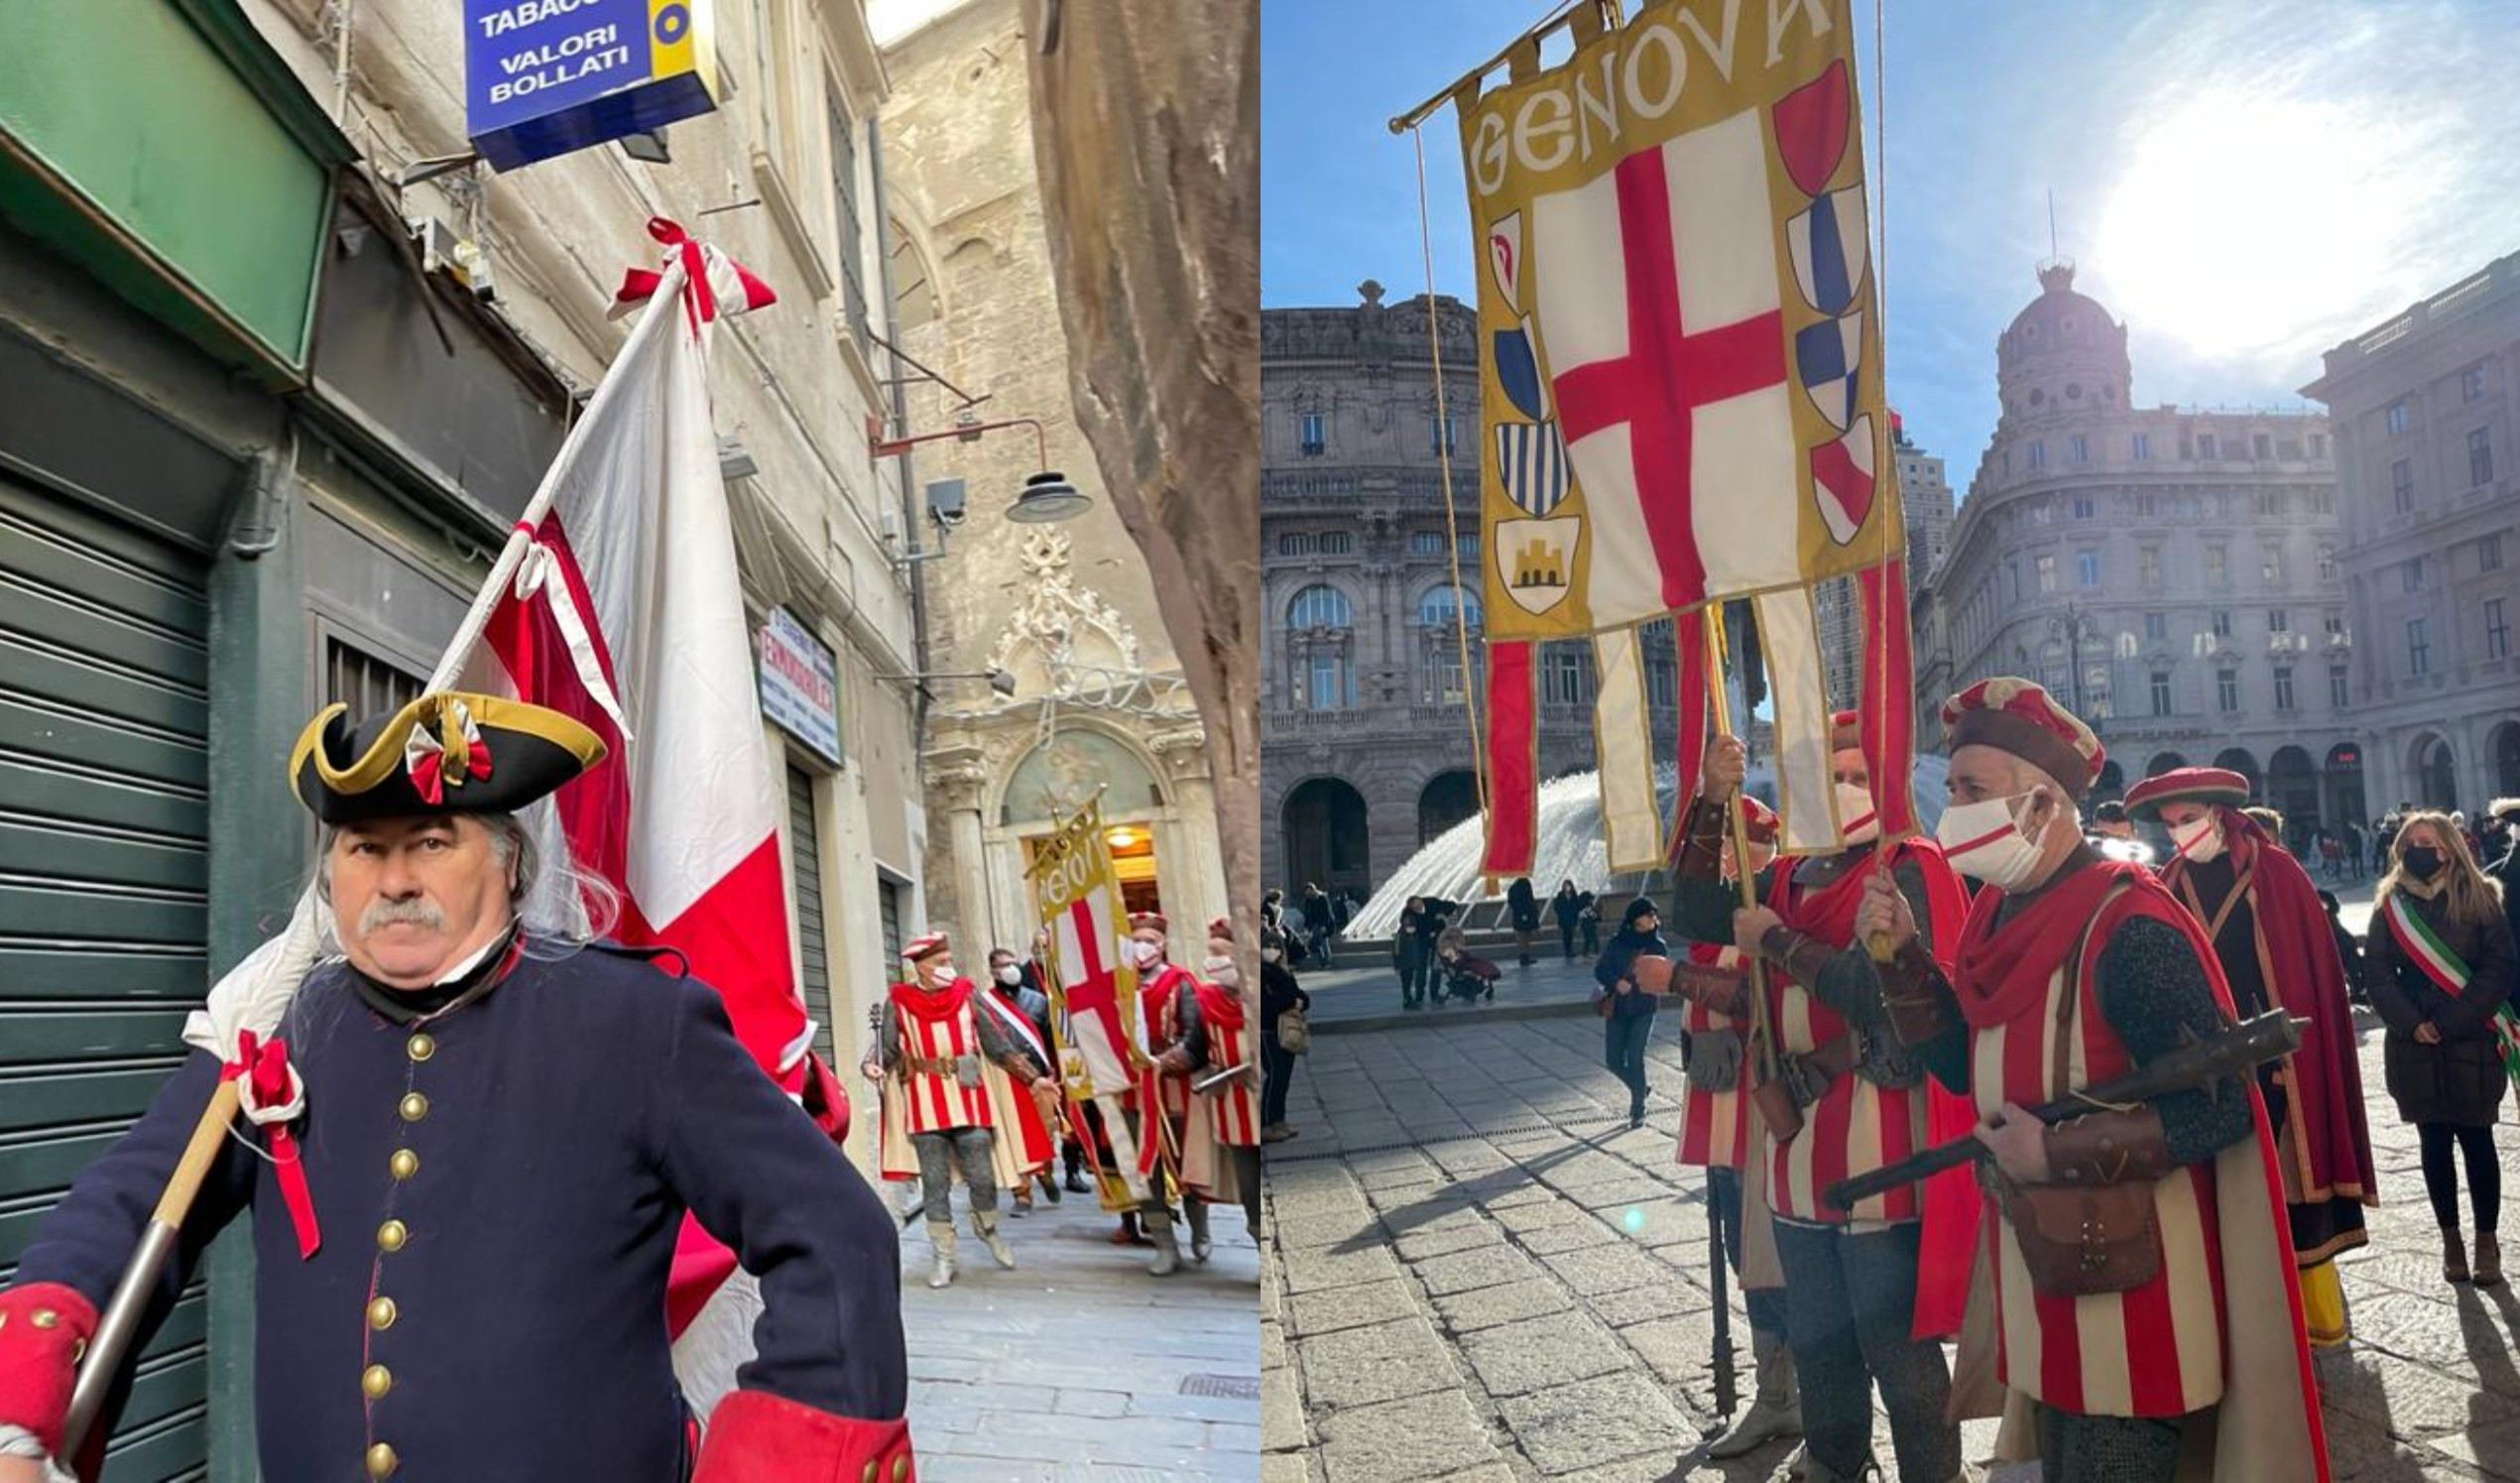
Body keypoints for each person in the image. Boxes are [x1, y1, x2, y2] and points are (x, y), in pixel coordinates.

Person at [0, 691, 912, 1482]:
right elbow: (129, 1202)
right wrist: (20, 1397)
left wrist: (782, 1456)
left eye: (430, 842)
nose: (394, 880)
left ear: (509, 860)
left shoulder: (639, 1019)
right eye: (364, 848)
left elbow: (835, 1237)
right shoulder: (280, 1023)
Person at [1868, 677, 2325, 1483]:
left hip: (2134, 1297)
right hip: (2043, 1274)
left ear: (2042, 804)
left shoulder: (2130, 927)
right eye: (1955, 783)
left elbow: (2217, 1111)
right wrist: (1903, 959)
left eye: (1973, 788)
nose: (1953, 806)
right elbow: (1966, 1066)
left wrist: (2053, 1153)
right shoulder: (1994, 917)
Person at [1671, 714, 1971, 1483]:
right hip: (1794, 1155)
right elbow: (1695, 916)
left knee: (1897, 1356)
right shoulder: (1784, 872)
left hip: (1882, 1160)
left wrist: (1775, 940)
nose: (1842, 790)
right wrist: (1711, 799)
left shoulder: (1908, 866)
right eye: (1830, 775)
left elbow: (1879, 996)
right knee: (1820, 1346)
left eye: (1858, 775)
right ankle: (1836, 1466)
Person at [2126, 769, 2377, 1346]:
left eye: (2187, 819)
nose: (2178, 833)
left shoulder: (2278, 873)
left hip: (2281, 1060)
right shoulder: (2168, 882)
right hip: (2208, 1064)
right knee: (2223, 1198)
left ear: (2219, 814)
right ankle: (2243, 1325)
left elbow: (2308, 966)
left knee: (2295, 1186)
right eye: (2168, 825)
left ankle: (2315, 1319)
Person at [1664, 795, 1802, 1464]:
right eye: (1722, 848)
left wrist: (1675, 977)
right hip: (1719, 1109)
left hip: (1762, 1113)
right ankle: (1774, 1386)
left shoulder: (1771, 912)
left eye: (1738, 847)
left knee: (1769, 1255)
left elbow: (1761, 1001)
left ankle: (1794, 1389)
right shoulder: (1715, 918)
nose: (1726, 859)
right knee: (1737, 1253)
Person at [2365, 811, 2519, 1287]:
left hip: (2470, 1038)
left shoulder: (2480, 898)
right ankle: (2451, 1241)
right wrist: (2413, 1024)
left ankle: (2486, 1243)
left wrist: (2451, 1020)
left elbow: (2500, 966)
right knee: (2432, 1145)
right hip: (2415, 1046)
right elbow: (2376, 975)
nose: (2418, 849)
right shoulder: (2390, 905)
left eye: (2428, 841)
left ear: (2449, 847)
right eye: (2411, 842)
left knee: (2478, 1143)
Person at [871, 933, 1061, 1288]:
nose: (948, 968)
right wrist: (873, 1064)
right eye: (941, 962)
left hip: (970, 1097)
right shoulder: (899, 1000)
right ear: (922, 967)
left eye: (948, 961)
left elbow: (997, 1043)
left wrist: (1033, 1079)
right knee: (934, 1182)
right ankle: (943, 1254)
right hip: (924, 1103)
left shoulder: (966, 993)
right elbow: (887, 1048)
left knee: (982, 1175)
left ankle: (985, 1223)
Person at [1131, 913, 1211, 1275]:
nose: (1143, 946)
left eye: (1150, 939)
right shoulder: (1118, 985)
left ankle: (1200, 1228)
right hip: (1133, 1091)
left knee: (1186, 1161)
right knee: (1146, 1167)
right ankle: (1164, 1244)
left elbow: (1196, 1032)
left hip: (1175, 1087)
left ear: (1163, 944)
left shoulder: (1182, 983)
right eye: (1137, 939)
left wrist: (1165, 1061)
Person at [1194, 918, 1263, 1268]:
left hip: (1260, 1098)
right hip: (1231, 1104)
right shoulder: (1204, 998)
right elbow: (1192, 1049)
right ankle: (1260, 1249)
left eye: (1219, 953)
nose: (1212, 961)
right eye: (1210, 953)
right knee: (1249, 1183)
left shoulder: (1259, 993)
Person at [986, 946, 1064, 1215]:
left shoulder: (1038, 1001)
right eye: (1003, 965)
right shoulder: (986, 1004)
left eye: (1013, 963)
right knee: (1015, 1135)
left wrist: (1056, 1072)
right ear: (993, 972)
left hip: (1040, 1077)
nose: (1011, 969)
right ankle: (1023, 1193)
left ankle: (1045, 1173)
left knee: (1044, 1131)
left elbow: (1052, 1040)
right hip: (1008, 1078)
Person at [1593, 898, 1669, 1130]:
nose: (1653, 919)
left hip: (1644, 1008)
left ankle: (1638, 1110)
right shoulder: (1618, 943)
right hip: (1618, 1009)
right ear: (1636, 919)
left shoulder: (1658, 946)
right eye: (1648, 915)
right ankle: (1641, 1088)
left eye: (1654, 915)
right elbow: (1600, 969)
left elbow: (1662, 977)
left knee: (1635, 1059)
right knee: (1613, 1061)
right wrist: (1617, 983)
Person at [1260, 927, 1310, 1143]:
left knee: (1284, 1078)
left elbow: (1302, 996)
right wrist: (1292, 1001)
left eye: (1275, 947)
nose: (1271, 950)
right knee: (1275, 1075)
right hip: (1268, 1031)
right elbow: (1269, 1004)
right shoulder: (1261, 972)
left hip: (1286, 1031)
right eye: (1267, 947)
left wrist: (1299, 1001)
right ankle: (1266, 1124)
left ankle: (1279, 1120)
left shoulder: (1284, 972)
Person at [1434, 927, 1502, 1003]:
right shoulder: (1448, 950)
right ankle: (1484, 980)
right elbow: (1456, 962)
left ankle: (1487, 976)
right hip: (1462, 966)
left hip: (1466, 962)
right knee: (1481, 967)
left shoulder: (1455, 949)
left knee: (1484, 964)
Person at [1507, 876, 1541, 966]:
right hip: (1525, 915)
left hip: (1520, 916)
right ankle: (1524, 957)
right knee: (1525, 938)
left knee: (1523, 938)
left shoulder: (1513, 888)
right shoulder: (1524, 885)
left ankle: (1525, 957)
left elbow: (1512, 902)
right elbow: (1530, 900)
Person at [1300, 882, 1336, 967]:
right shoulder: (1308, 900)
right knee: (1316, 943)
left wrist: (1324, 925)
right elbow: (1307, 914)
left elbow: (1327, 913)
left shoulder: (1322, 898)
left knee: (1323, 942)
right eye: (1306, 892)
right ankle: (1322, 961)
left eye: (1309, 891)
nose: (1308, 893)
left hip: (1323, 923)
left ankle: (1327, 961)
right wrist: (1306, 926)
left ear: (1314, 890)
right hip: (1314, 924)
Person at [1552, 879, 1586, 960]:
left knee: (1570, 934)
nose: (1567, 887)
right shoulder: (1560, 895)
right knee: (1566, 934)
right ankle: (1567, 951)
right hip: (1564, 918)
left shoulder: (1574, 895)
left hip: (1572, 917)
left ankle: (1570, 950)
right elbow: (1556, 906)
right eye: (1565, 885)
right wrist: (1561, 912)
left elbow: (1577, 905)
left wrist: (1575, 912)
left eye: (1568, 885)